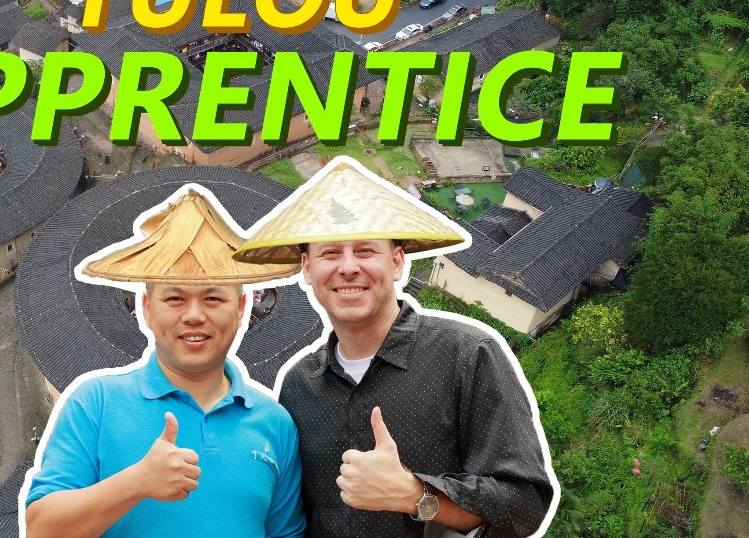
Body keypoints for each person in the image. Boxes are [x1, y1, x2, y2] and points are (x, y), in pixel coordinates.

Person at [234, 159, 556, 538]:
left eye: (366, 251)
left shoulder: (467, 356)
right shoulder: (299, 386)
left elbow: (526, 505)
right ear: (307, 268)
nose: (348, 267)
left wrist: (416, 495)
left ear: (398, 262)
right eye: (330, 253)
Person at [23, 187, 306, 538]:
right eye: (174, 298)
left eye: (213, 298)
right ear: (146, 308)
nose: (194, 315)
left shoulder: (276, 424)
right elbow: (41, 529)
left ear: (241, 308)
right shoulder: (94, 403)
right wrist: (136, 482)